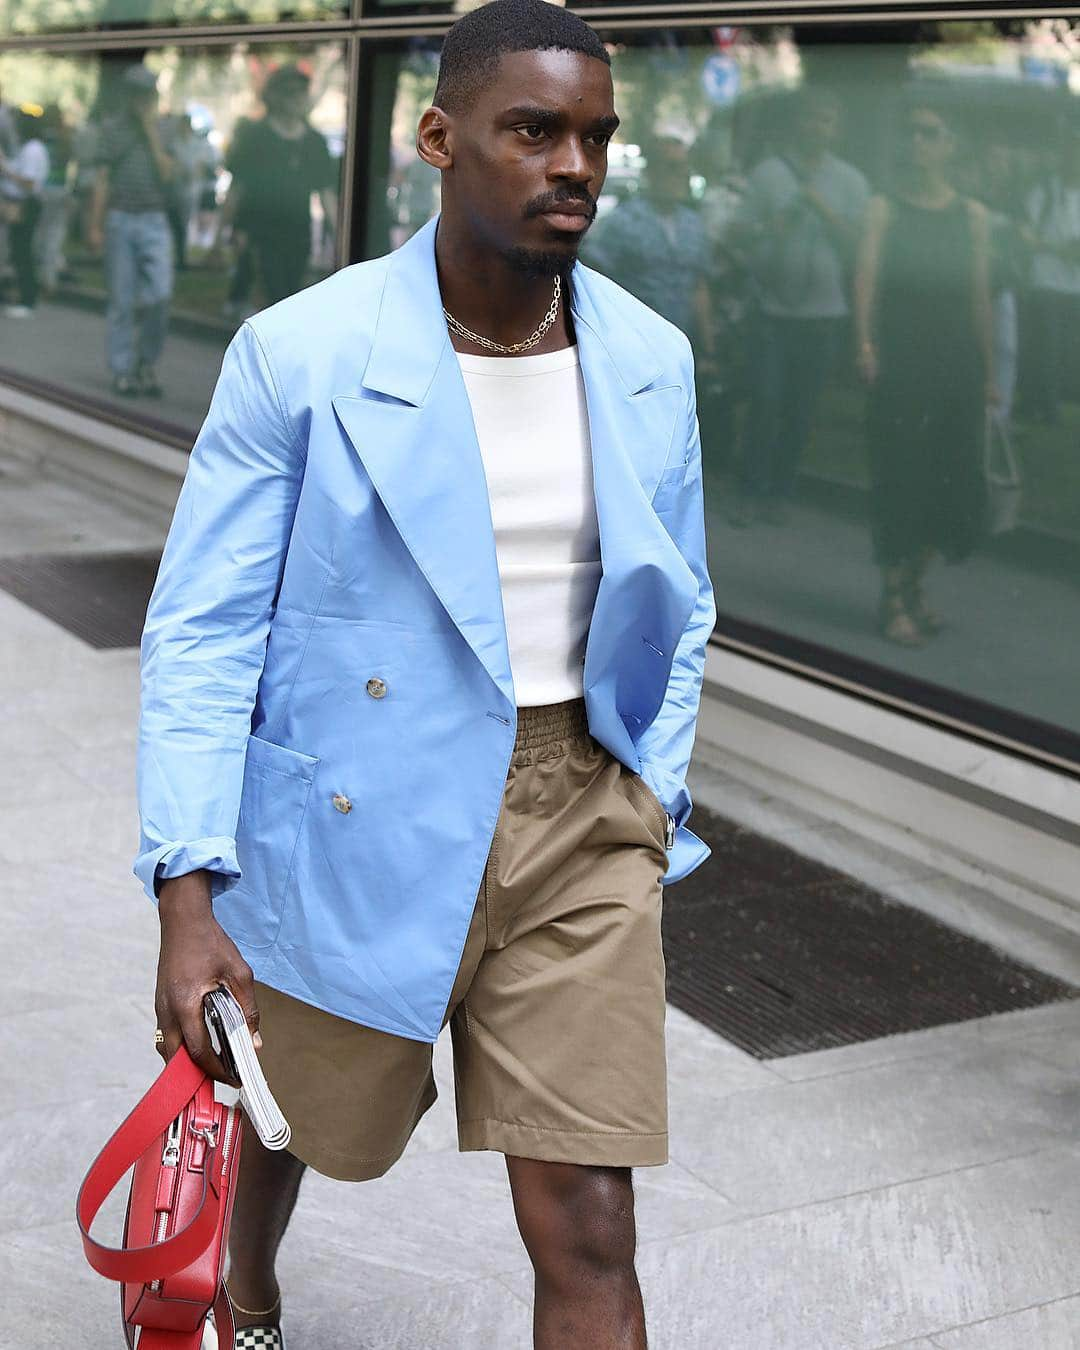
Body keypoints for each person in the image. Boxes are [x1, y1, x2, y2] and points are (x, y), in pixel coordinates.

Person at [136, 3, 716, 1349]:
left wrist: (653, 792)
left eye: (596, 136)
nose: (574, 164)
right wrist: (187, 891)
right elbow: (206, 631)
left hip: (581, 815)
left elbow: (676, 605)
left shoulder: (649, 362)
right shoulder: (305, 353)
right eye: (535, 130)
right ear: (439, 139)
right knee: (298, 1122)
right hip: (356, 808)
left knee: (589, 1215)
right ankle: (245, 1284)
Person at [854, 98, 994, 647]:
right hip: (902, 358)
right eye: (911, 132)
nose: (918, 142)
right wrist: (865, 345)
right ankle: (893, 595)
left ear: (950, 145)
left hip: (955, 361)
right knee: (902, 474)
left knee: (950, 479)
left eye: (930, 133)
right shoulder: (884, 208)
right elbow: (865, 280)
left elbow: (980, 296)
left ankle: (916, 585)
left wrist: (988, 371)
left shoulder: (974, 216)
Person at [729, 87, 870, 525]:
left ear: (836, 129)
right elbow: (740, 235)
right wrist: (775, 223)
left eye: (826, 119)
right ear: (798, 124)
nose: (817, 127)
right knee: (766, 403)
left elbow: (860, 248)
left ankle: (779, 494)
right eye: (811, 118)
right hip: (772, 309)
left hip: (823, 315)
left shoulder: (850, 181)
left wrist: (824, 212)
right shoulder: (768, 174)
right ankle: (749, 493)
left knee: (800, 410)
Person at [582, 123, 718, 374]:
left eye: (684, 168)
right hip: (632, 352)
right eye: (671, 168)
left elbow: (699, 287)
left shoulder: (694, 225)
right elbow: (596, 286)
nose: (680, 175)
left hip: (682, 350)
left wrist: (708, 351)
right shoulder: (622, 223)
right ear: (652, 171)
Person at [217, 63, 338, 315]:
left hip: (298, 236)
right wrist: (224, 231)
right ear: (276, 96)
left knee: (290, 296)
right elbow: (237, 188)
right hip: (259, 235)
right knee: (268, 298)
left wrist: (338, 235)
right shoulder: (254, 136)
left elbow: (326, 192)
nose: (298, 99)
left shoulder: (314, 142)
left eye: (301, 92)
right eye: (291, 92)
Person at [88, 63, 176, 399]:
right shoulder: (112, 129)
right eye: (137, 94)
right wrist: (95, 225)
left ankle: (146, 363)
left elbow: (169, 175)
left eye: (148, 93)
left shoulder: (165, 129)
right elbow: (101, 180)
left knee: (161, 295)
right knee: (122, 300)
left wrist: (151, 133)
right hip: (121, 219)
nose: (143, 100)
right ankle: (123, 370)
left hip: (154, 219)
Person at [0, 104, 50, 317]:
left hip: (25, 204)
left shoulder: (32, 150)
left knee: (23, 251)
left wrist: (6, 170)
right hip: (23, 202)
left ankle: (27, 298)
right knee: (19, 249)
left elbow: (28, 182)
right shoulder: (29, 149)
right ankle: (24, 296)